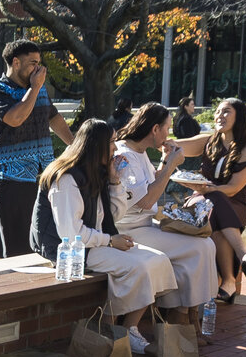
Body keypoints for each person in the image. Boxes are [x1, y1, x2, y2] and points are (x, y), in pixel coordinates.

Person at [29, 118, 180, 338]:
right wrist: (110, 241)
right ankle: (110, 329)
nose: (115, 147)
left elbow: (113, 215)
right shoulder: (66, 178)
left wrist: (115, 181)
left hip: (96, 241)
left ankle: (128, 328)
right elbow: (70, 235)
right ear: (96, 145)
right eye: (111, 142)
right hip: (69, 251)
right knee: (137, 268)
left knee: (158, 260)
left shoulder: (96, 171)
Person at [112, 105, 217, 330]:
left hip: (144, 225)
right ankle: (180, 317)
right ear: (155, 128)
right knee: (198, 249)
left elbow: (150, 184)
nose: (168, 134)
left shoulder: (138, 153)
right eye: (167, 128)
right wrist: (171, 165)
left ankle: (185, 312)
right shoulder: (124, 156)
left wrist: (164, 162)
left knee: (205, 243)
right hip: (128, 230)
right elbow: (145, 201)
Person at [0, 39, 72, 257]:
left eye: (39, 63)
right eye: (33, 63)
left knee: (44, 244)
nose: (38, 69)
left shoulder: (38, 90)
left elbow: (54, 118)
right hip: (12, 180)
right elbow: (15, 118)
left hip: (43, 178)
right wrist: (34, 88)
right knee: (17, 249)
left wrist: (77, 145)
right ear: (16, 62)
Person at [194, 100, 246, 300]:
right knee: (213, 203)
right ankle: (240, 262)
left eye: (226, 112)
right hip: (206, 203)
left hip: (235, 206)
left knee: (215, 201)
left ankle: (229, 280)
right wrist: (167, 146)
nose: (219, 116)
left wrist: (207, 190)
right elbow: (178, 145)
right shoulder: (209, 142)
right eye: (217, 112)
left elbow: (233, 189)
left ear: (239, 117)